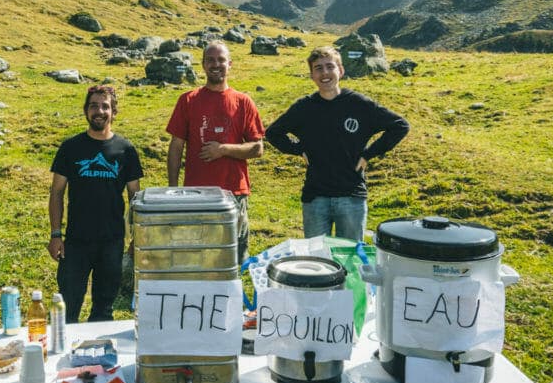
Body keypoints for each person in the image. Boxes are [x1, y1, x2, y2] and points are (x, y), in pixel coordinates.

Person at [265, 46, 409, 241]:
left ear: (340, 71)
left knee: (350, 258)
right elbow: (273, 133)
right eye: (318, 68)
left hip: (351, 196)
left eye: (329, 67)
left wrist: (369, 154)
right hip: (315, 198)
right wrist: (298, 149)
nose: (325, 73)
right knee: (316, 261)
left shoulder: (359, 104)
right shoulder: (304, 108)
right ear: (312, 75)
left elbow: (400, 126)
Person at [49, 85, 143, 323]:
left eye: (105, 106)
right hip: (75, 242)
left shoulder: (126, 150)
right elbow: (57, 192)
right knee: (67, 310)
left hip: (111, 242)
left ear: (114, 112)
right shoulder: (71, 147)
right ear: (85, 111)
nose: (99, 111)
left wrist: (138, 239)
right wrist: (56, 234)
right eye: (94, 106)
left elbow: (135, 198)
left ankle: (99, 359)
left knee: (103, 311)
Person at [166, 40, 265, 263]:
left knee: (234, 255)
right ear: (202, 65)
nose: (216, 64)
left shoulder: (243, 102)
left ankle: (233, 297)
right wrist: (173, 189)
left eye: (221, 60)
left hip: (234, 194)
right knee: (197, 254)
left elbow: (258, 148)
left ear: (230, 64)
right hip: (196, 195)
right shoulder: (188, 100)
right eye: (210, 60)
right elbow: (176, 147)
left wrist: (223, 149)